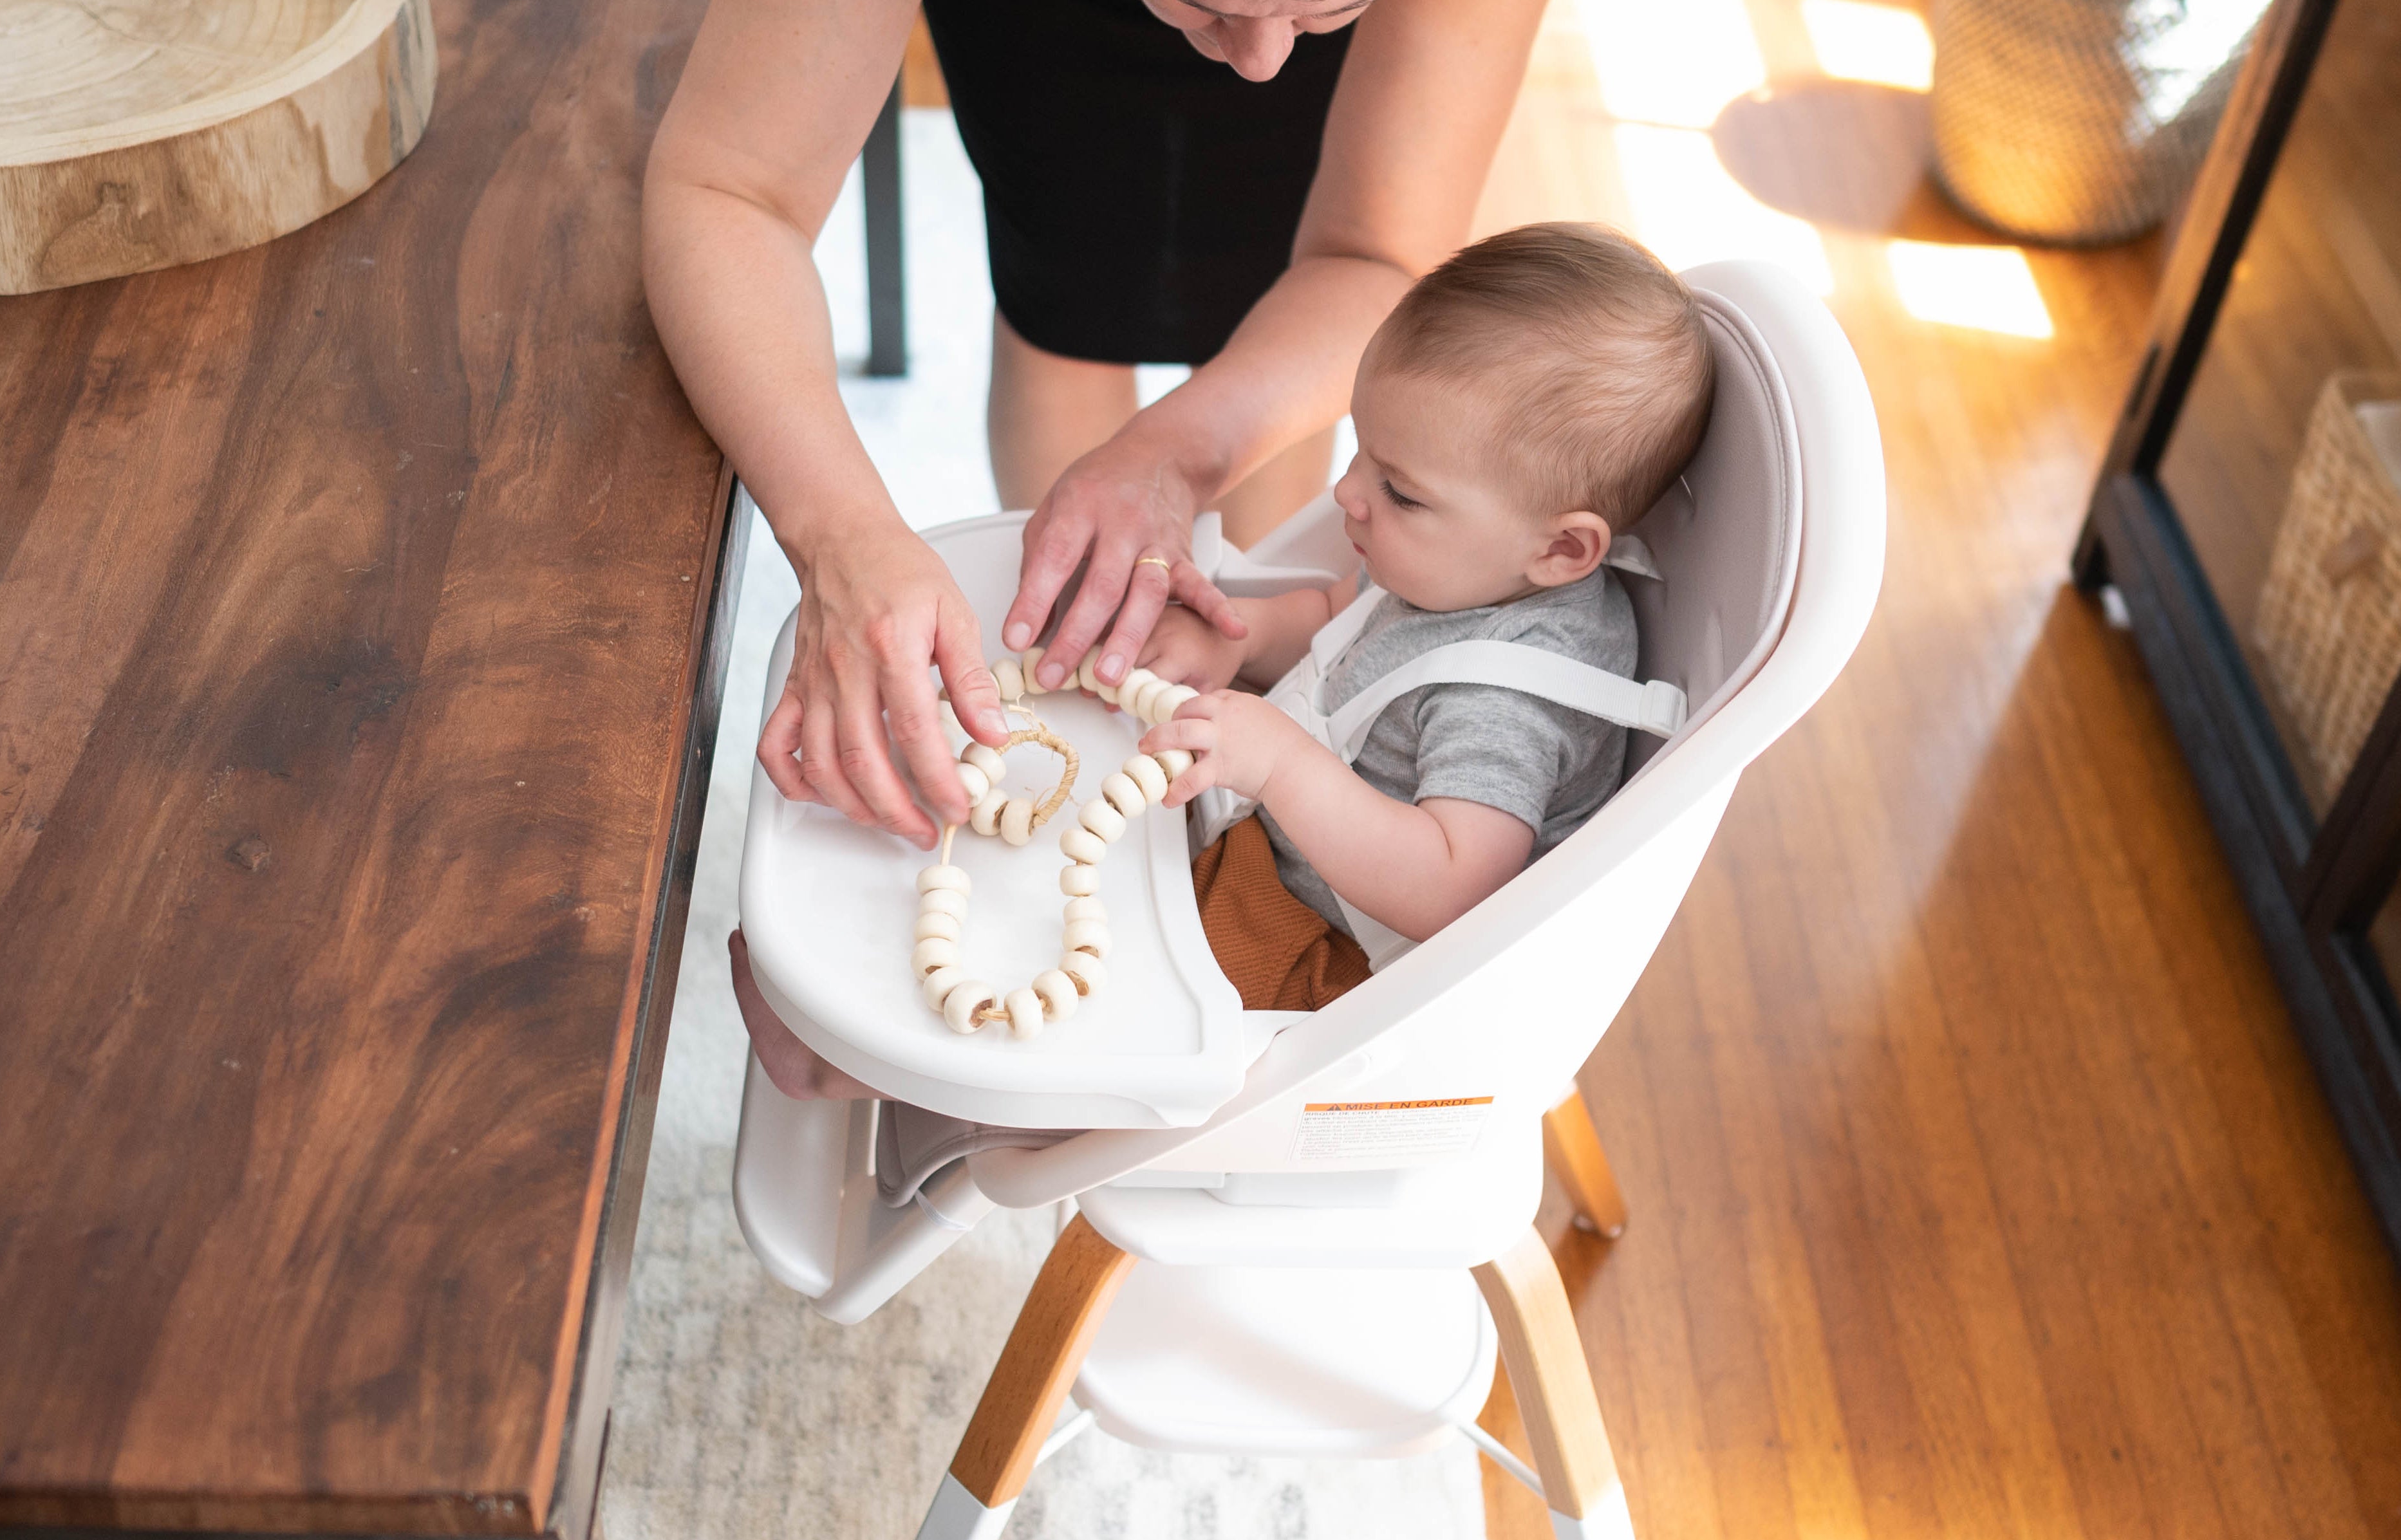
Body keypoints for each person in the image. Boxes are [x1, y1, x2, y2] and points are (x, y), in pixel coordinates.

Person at [645, 0, 1585, 851]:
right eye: (1203, 6)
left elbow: (1380, 254)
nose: (1258, 65)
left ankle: (1227, 725)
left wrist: (1180, 452)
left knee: (1262, 299)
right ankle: (1070, 685)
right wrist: (842, 536)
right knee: (1066, 264)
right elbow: (728, 188)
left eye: (1330, 17)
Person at [732, 220, 1715, 1106]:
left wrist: (1284, 764)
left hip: (1318, 940)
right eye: (1363, 453)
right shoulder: (1480, 562)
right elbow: (1350, 620)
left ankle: (855, 1073)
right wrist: (1234, 642)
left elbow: (1454, 885)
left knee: (1094, 1026)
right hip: (1261, 833)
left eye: (1398, 490)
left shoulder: (1510, 701)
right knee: (1044, 842)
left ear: (1566, 551)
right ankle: (849, 993)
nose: (1348, 493)